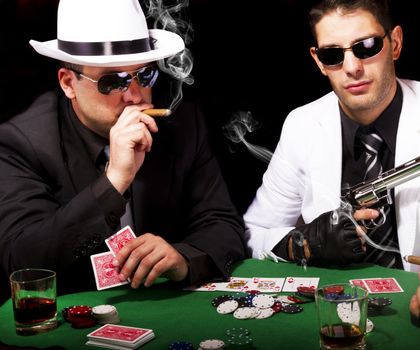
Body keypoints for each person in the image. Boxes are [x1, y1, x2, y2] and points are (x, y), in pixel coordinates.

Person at [243, 0, 420, 326]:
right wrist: (303, 243)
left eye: (366, 47)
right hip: (334, 317)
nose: (352, 68)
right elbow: (251, 233)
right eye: (334, 55)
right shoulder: (302, 124)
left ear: (396, 43)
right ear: (319, 61)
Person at [0, 0, 246, 301]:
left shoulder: (181, 126)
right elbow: (23, 263)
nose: (133, 95)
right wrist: (114, 180)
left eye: (144, 76)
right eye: (111, 81)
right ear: (68, 83)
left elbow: (224, 224)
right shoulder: (22, 143)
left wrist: (183, 259)